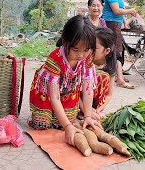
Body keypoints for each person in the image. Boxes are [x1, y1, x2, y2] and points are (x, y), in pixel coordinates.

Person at [28, 15, 102, 146]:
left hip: (68, 92)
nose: (81, 55)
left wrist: (88, 116)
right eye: (75, 50)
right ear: (65, 42)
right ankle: (40, 114)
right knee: (42, 123)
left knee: (66, 121)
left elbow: (87, 88)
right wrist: (68, 126)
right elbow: (54, 97)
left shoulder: (87, 58)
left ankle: (64, 118)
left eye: (86, 50)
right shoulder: (55, 59)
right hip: (47, 94)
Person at [79, 27, 117, 120]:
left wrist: (98, 110)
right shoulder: (82, 61)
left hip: (95, 104)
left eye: (94, 48)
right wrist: (85, 109)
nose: (89, 50)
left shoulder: (110, 66)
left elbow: (109, 94)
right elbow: (73, 90)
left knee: (103, 76)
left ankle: (93, 110)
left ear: (107, 51)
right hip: (78, 99)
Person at [102, 0, 137, 89]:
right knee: (115, 51)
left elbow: (120, 11)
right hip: (111, 23)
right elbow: (117, 11)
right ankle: (119, 78)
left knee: (117, 51)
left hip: (116, 23)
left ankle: (118, 76)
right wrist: (130, 11)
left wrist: (125, 22)